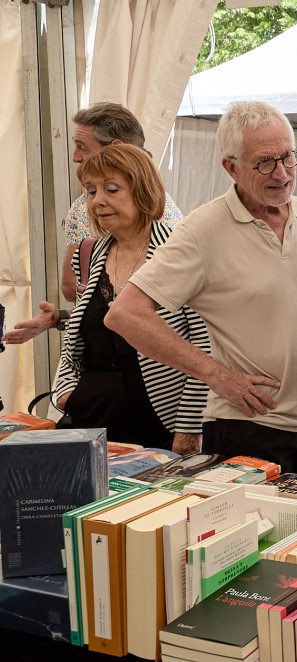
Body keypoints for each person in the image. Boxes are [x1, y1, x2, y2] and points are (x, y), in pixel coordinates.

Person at [105, 101, 297, 476]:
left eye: (288, 157)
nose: (283, 173)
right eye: (265, 162)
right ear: (231, 167)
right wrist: (217, 375)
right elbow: (125, 314)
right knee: (259, 535)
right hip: (253, 427)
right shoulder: (203, 229)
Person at [48, 144, 209, 453]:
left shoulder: (179, 253)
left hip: (159, 421)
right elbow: (82, 336)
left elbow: (204, 348)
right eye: (91, 191)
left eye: (111, 189)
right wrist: (67, 392)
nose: (98, 201)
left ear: (142, 190)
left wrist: (189, 427)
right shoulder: (96, 251)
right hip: (91, 420)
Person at [3, 103, 184, 344]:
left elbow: (70, 289)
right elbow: (95, 308)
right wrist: (59, 318)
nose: (76, 156)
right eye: (91, 191)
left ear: (117, 149)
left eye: (81, 146)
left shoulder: (179, 252)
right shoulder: (173, 223)